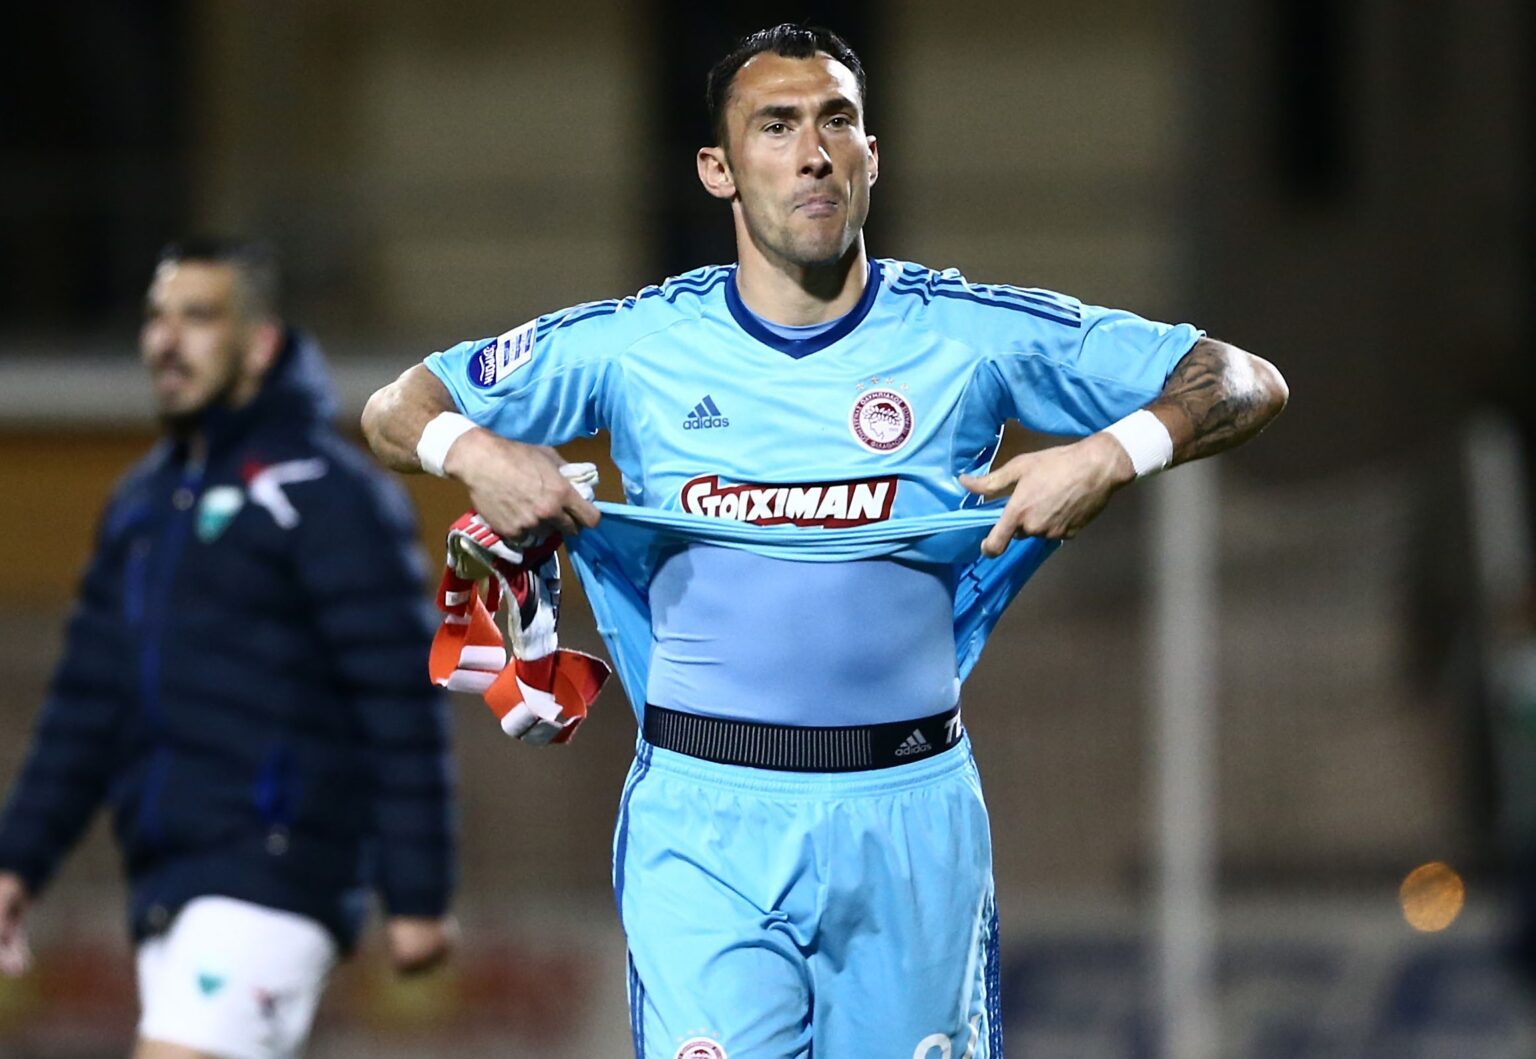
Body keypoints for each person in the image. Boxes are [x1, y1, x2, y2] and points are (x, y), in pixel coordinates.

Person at [362, 23, 1287, 1059]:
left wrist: (1109, 455)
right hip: (706, 825)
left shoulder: (966, 334)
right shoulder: (635, 346)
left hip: (910, 817)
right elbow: (398, 407)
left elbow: (1243, 379)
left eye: (836, 122)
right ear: (718, 168)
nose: (813, 153)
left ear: (871, 156)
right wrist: (478, 454)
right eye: (776, 126)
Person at [0, 239, 457, 1059]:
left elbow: (397, 697)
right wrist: (18, 861)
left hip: (275, 866)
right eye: (156, 318)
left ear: (260, 344)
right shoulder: (143, 506)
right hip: (167, 874)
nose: (166, 340)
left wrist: (417, 890)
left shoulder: (329, 496)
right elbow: (86, 704)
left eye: (199, 317)